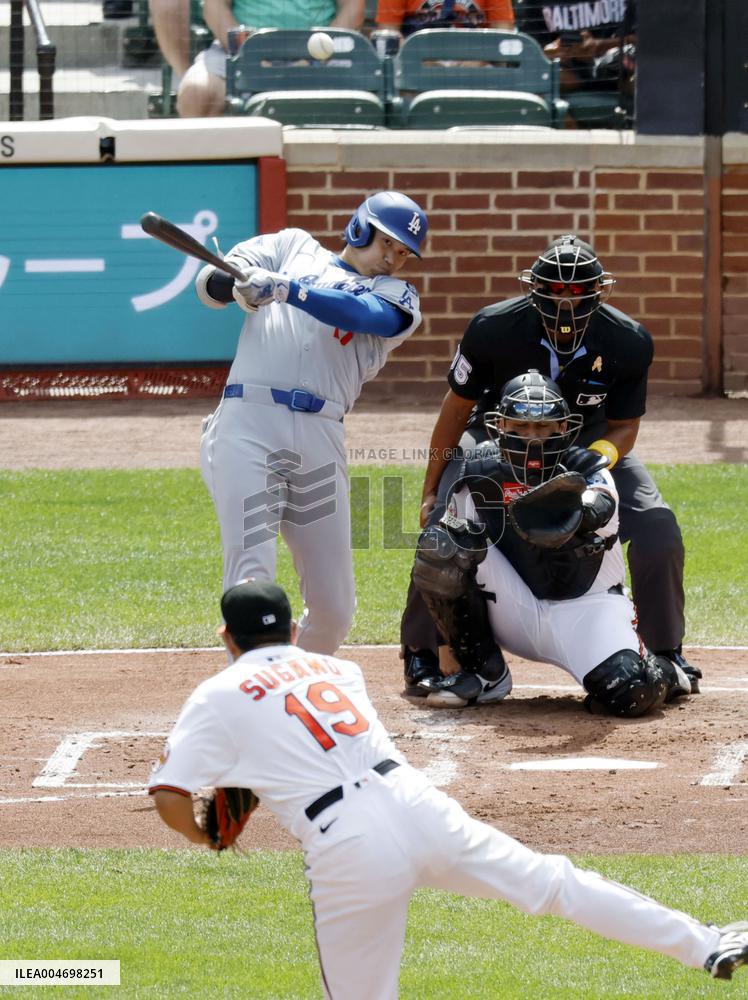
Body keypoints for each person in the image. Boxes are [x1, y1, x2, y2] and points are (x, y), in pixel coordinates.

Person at [148, 579, 748, 997]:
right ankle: (704, 944)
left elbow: (171, 796)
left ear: (227, 636)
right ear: (296, 628)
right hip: (419, 806)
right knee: (554, 883)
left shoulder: (216, 697)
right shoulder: (338, 669)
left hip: (347, 848)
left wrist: (204, 837)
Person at [401, 234, 700, 698]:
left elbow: (624, 427)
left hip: (587, 440)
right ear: (532, 288)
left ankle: (665, 650)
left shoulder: (629, 339)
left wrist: (593, 461)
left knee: (658, 528)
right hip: (502, 435)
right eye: (556, 290)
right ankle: (423, 652)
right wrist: (432, 490)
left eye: (578, 290)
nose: (566, 299)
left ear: (600, 290)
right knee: (443, 529)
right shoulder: (492, 328)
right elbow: (456, 411)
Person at [197, 191, 427, 655]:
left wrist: (286, 290)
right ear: (360, 227)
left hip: (320, 436)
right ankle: (253, 698)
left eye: (403, 252)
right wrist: (237, 286)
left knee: (334, 607)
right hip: (249, 424)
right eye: (388, 243)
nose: (393, 258)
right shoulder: (290, 246)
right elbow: (209, 283)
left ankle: (298, 686)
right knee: (251, 578)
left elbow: (366, 316)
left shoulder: (396, 295)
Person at [411, 370, 693, 713]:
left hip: (587, 608)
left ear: (563, 429)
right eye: (520, 427)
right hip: (514, 607)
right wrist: (446, 646)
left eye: (544, 428)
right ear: (500, 427)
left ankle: (665, 670)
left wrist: (571, 515)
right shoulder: (477, 469)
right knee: (441, 544)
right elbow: (449, 547)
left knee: (632, 694)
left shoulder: (587, 468)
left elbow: (599, 505)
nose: (533, 439)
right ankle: (483, 672)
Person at [177, 0, 365, 117]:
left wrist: (315, 58)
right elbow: (214, 7)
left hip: (323, 53)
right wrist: (249, 57)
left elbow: (353, 8)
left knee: (357, 103)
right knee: (196, 94)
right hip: (242, 49)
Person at [513, 0, 637, 127]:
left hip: (619, 68)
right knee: (531, 88)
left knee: (644, 76)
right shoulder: (536, 4)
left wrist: (599, 45)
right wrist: (550, 52)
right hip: (569, 71)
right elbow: (526, 49)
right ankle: (575, 140)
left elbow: (649, 37)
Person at [375, 0, 514, 38]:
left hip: (477, 66)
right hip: (417, 65)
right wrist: (416, 60)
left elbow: (504, 37)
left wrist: (480, 59)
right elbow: (388, 36)